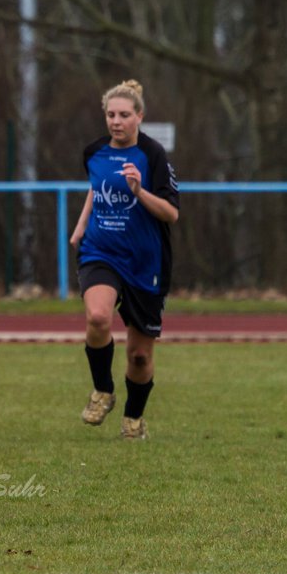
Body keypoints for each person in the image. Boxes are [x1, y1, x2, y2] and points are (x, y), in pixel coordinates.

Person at [69, 79, 179, 439]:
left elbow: (170, 213)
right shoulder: (94, 152)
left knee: (139, 358)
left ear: (139, 116)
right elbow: (96, 188)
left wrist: (139, 191)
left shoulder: (153, 156)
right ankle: (102, 390)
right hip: (101, 251)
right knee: (98, 316)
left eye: (124, 115)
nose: (116, 121)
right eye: (111, 115)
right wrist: (82, 225)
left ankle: (133, 419)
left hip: (146, 262)